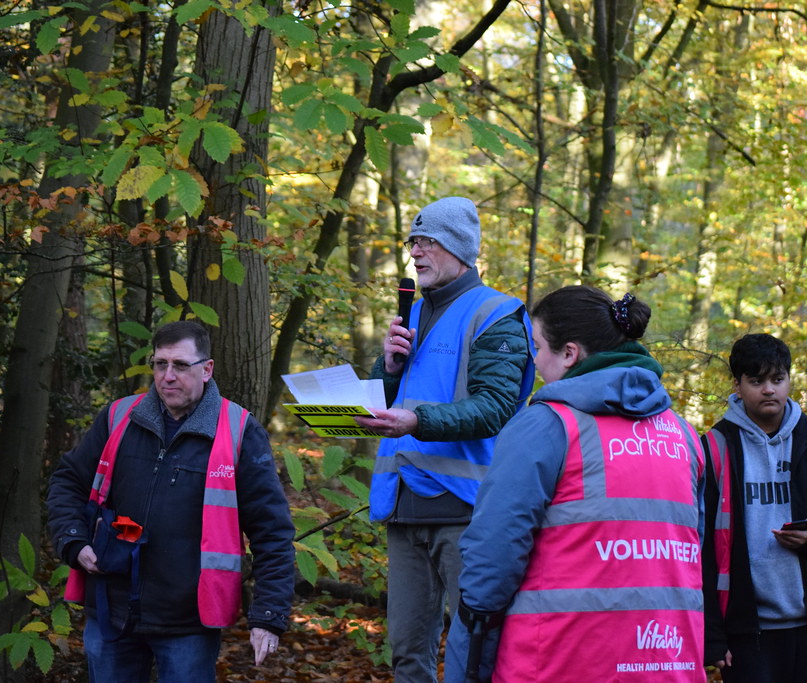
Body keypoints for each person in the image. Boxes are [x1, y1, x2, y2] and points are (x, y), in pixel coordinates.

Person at [444, 286, 707, 682]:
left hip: (558, 659)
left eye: (537, 347)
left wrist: (472, 643)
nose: (534, 359)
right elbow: (691, 548)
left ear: (569, 353)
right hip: (666, 661)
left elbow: (494, 550)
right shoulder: (683, 435)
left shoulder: (546, 425)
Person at [47, 321, 295, 683]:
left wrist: (268, 615)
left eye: (180, 365)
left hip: (188, 622)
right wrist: (73, 540)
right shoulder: (120, 417)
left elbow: (271, 529)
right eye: (160, 364)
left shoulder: (238, 430)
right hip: (111, 610)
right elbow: (68, 480)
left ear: (207, 369)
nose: (167, 376)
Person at [353, 196, 535, 682]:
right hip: (402, 507)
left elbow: (496, 407)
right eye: (413, 242)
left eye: (427, 241)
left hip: (467, 513)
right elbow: (388, 397)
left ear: (459, 247)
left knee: (475, 652)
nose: (415, 252)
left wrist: (417, 422)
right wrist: (388, 368)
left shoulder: (496, 313)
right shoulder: (411, 313)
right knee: (406, 652)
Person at [701, 333, 807, 682]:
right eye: (756, 381)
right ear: (737, 385)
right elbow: (700, 552)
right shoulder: (714, 447)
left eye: (778, 379)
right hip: (748, 634)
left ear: (789, 380)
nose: (769, 390)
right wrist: (712, 636)